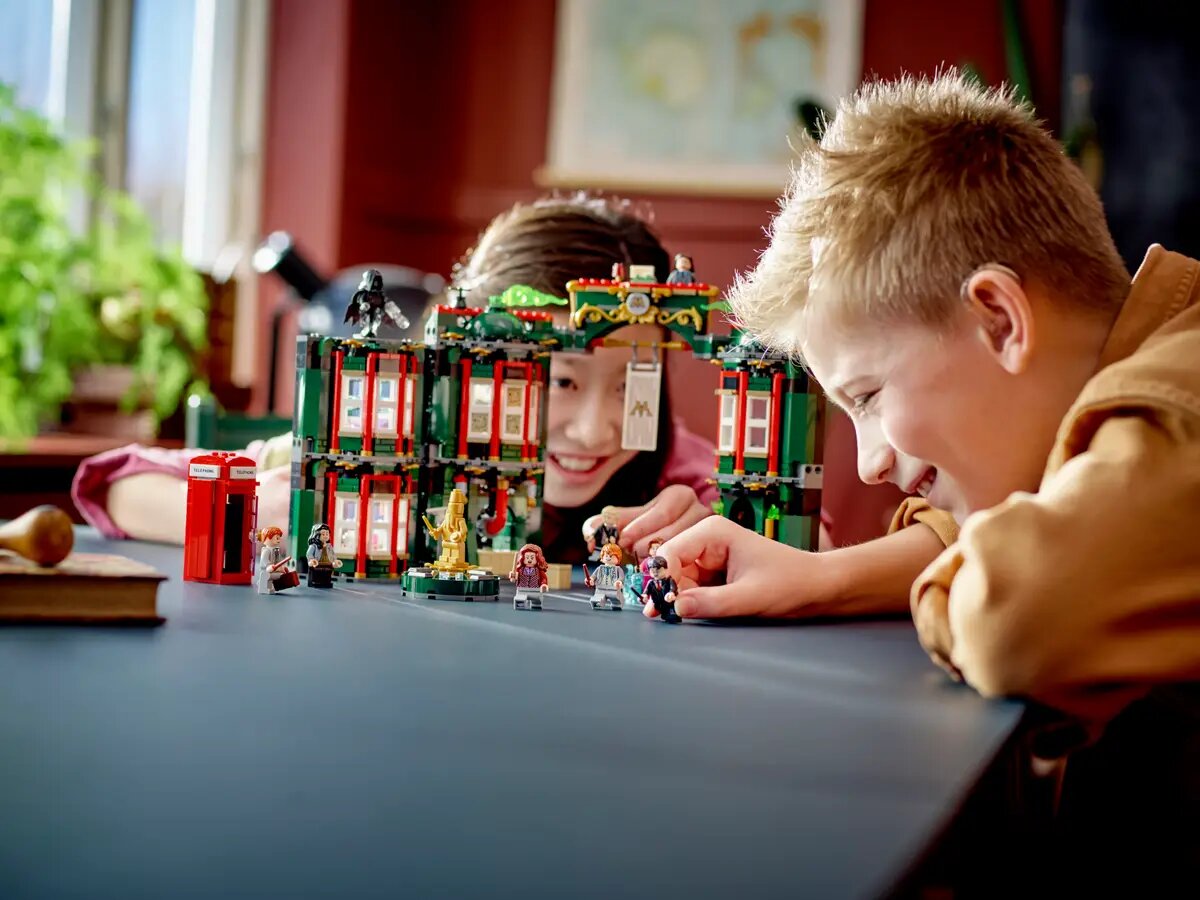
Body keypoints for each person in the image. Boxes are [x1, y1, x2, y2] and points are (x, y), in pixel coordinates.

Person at [654, 71, 1200, 887]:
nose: (870, 462)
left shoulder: (1181, 401)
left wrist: (950, 576)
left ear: (999, 320)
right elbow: (1053, 523)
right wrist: (825, 579)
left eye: (869, 397)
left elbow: (1020, 617)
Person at [72, 195, 739, 561]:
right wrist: (258, 512)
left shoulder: (673, 472)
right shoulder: (382, 437)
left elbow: (782, 537)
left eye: (630, 385)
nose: (596, 429)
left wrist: (719, 531)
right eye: (561, 381)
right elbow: (118, 486)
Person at [253, 525, 295, 594]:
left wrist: (281, 568)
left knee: (279, 576)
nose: (279, 540)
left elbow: (278, 561)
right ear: (267, 538)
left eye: (279, 538)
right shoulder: (266, 550)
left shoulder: (276, 550)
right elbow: (264, 560)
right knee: (266, 576)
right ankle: (263, 588)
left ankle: (271, 587)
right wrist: (269, 566)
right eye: (277, 538)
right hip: (266, 570)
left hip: (274, 570)